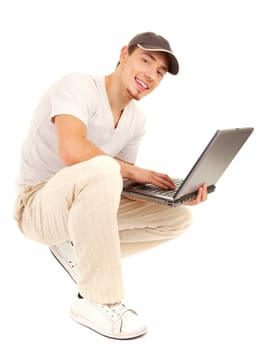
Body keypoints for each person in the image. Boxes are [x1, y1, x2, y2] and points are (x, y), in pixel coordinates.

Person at [13, 32, 208, 340]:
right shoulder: (77, 86)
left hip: (83, 207)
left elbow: (117, 185)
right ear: (123, 54)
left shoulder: (136, 119)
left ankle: (78, 249)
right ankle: (98, 299)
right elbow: (72, 150)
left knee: (177, 219)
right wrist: (133, 171)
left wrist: (172, 197)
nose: (151, 75)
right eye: (145, 60)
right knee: (103, 167)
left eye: (159, 72)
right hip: (37, 205)